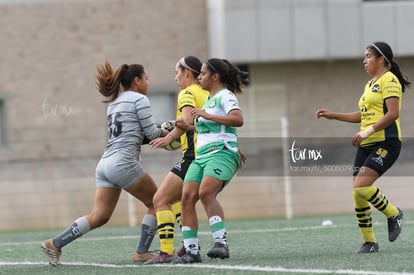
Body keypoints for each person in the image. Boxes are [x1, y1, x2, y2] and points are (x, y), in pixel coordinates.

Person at [41, 60, 169, 266]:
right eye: (146, 78)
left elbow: (135, 134)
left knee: (98, 216)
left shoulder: (114, 103)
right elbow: (152, 133)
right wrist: (171, 132)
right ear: (137, 81)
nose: (148, 83)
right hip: (123, 163)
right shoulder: (140, 99)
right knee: (157, 202)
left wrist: (164, 132)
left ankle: (54, 243)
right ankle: (141, 253)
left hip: (105, 164)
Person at [316, 41, 410, 253]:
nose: (364, 60)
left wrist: (368, 131)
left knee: (361, 186)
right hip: (366, 144)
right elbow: (364, 115)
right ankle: (370, 242)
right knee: (358, 192)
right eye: (364, 56)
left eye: (368, 56)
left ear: (381, 59)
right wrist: (334, 115)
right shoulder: (370, 84)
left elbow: (393, 113)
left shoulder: (389, 80)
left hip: (387, 142)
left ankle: (393, 213)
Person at [171, 58, 247, 264]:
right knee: (186, 198)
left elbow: (237, 119)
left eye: (203, 73)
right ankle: (192, 251)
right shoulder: (208, 100)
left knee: (205, 192)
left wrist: (206, 115)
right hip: (202, 157)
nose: (199, 77)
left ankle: (221, 243)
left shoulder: (225, 95)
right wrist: (190, 128)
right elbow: (209, 127)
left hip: (221, 153)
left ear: (215, 76)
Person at [143, 56, 209, 264]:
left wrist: (169, 136)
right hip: (210, 155)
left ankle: (166, 252)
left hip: (192, 158)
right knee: (179, 201)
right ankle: (191, 245)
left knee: (159, 199)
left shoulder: (187, 93)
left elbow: (187, 121)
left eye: (176, 72)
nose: (175, 77)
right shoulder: (208, 93)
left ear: (187, 72)